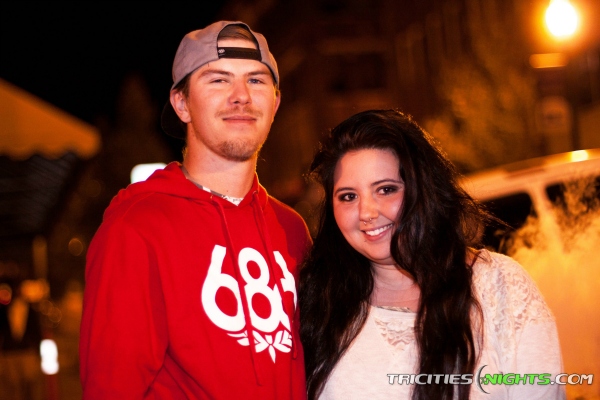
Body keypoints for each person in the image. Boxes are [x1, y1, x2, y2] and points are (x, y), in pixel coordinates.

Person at [79, 21, 312, 399]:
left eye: (256, 80)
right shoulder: (136, 226)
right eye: (218, 80)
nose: (241, 96)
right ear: (181, 103)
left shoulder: (292, 229)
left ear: (275, 103)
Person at [299, 109, 564, 400]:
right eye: (348, 196)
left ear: (423, 190)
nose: (367, 212)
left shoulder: (500, 287)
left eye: (386, 190)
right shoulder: (320, 303)